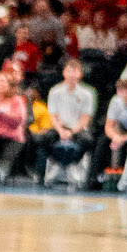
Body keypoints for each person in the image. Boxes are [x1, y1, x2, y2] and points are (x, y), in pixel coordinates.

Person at [40, 55, 98, 187]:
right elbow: (52, 115)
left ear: (80, 74)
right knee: (42, 139)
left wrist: (71, 132)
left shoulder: (87, 94)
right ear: (64, 73)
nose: (72, 74)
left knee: (88, 141)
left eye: (75, 71)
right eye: (69, 71)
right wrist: (61, 130)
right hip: (59, 127)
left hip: (77, 128)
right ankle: (45, 173)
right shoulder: (55, 91)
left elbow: (85, 118)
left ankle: (78, 170)